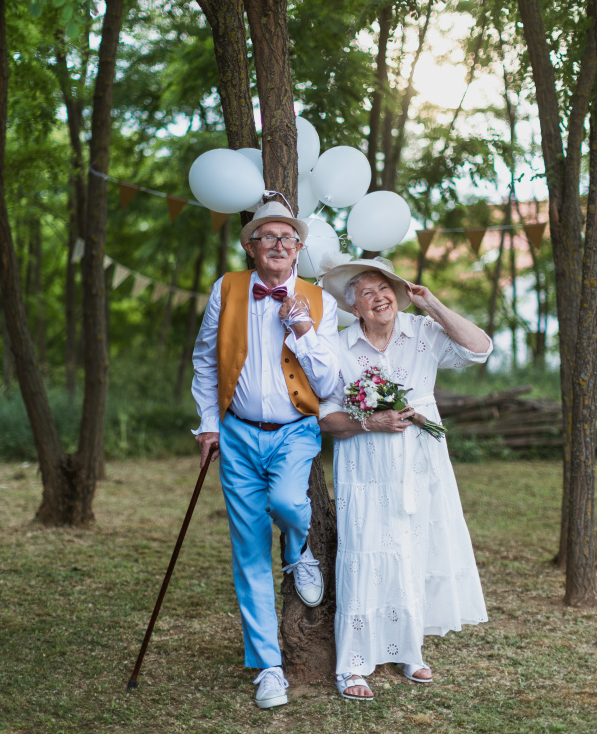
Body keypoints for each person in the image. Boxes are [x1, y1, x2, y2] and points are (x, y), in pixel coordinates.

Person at [319, 255, 491, 701]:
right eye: (366, 293)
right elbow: (325, 418)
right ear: (353, 307)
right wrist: (370, 422)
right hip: (365, 463)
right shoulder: (339, 346)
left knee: (414, 549)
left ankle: (409, 650)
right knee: (364, 552)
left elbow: (480, 349)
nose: (379, 297)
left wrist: (431, 303)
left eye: (384, 289)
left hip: (421, 461)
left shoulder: (424, 332)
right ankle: (353, 664)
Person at [192, 201, 340, 709]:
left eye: (288, 237)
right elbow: (206, 358)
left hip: (296, 431)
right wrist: (209, 424)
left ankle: (299, 552)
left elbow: (330, 382)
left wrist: (302, 328)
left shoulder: (320, 301)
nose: (279, 243)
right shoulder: (227, 288)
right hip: (236, 433)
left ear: (299, 249)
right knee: (249, 550)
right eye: (268, 236)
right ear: (250, 246)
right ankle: (269, 668)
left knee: (288, 503)